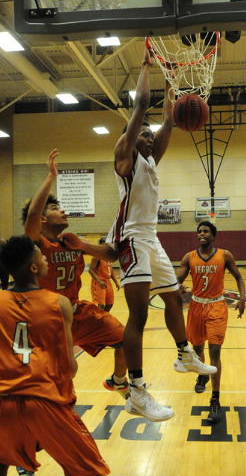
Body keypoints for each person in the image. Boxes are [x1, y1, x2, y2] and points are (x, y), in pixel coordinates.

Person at [60, 49, 216, 423]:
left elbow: (167, 119)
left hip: (150, 240)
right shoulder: (124, 160)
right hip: (134, 240)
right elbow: (144, 108)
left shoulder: (150, 160)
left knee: (175, 298)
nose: (148, 136)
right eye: (141, 134)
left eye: (148, 135)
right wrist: (146, 68)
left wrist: (171, 78)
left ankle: (184, 355)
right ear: (131, 140)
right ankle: (136, 391)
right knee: (140, 314)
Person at [21, 149, 129, 401]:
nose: (64, 211)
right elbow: (33, 215)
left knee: (125, 337)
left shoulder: (72, 242)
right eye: (56, 208)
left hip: (76, 311)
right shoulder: (36, 245)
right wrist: (51, 177)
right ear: (44, 220)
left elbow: (111, 256)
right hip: (46, 321)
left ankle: (119, 381)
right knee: (61, 378)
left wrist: (83, 245)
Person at [0, 235, 110, 476]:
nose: (46, 260)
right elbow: (70, 366)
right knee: (87, 470)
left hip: (3, 400)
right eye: (42, 256)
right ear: (34, 267)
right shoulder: (58, 303)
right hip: (44, 400)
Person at [176, 221, 245, 422]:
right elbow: (178, 279)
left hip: (217, 306)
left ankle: (215, 399)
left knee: (215, 351)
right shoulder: (189, 257)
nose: (201, 234)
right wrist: (177, 286)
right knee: (197, 350)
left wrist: (242, 298)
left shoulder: (225, 255)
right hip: (196, 307)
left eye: (205, 231)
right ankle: (203, 374)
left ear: (213, 236)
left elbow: (239, 277)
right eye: (199, 231)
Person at [89, 236, 120, 312]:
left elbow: (110, 270)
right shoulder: (97, 256)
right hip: (99, 282)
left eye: (106, 245)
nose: (105, 247)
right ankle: (98, 322)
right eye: (103, 245)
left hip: (107, 281)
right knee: (101, 305)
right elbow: (90, 270)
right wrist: (99, 281)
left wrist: (115, 281)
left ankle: (104, 319)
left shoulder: (108, 256)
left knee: (110, 304)